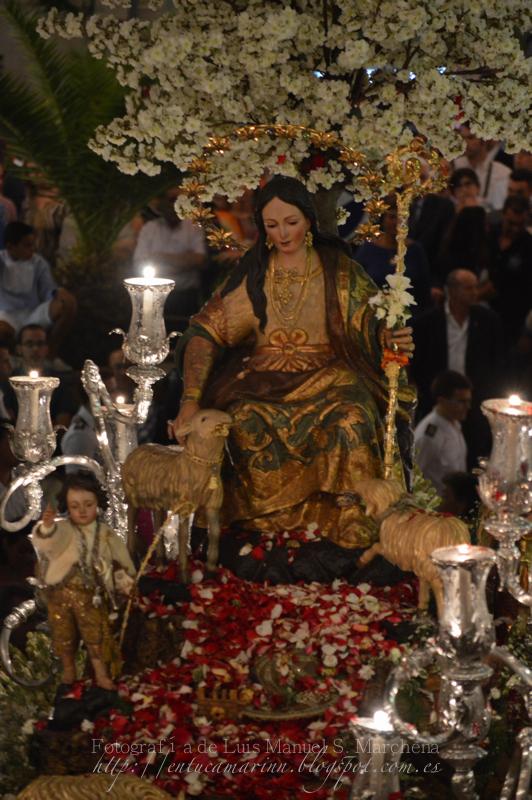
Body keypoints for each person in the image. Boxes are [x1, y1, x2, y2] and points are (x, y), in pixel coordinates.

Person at [169, 176, 415, 549]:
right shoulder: (255, 274)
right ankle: (259, 528)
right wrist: (190, 398)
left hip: (331, 376)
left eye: (291, 222)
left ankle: (350, 520)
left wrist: (388, 337)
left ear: (309, 221)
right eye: (272, 225)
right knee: (244, 418)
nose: (283, 234)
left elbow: (372, 322)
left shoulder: (339, 272)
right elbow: (206, 333)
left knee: (353, 417)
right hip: (261, 380)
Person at [31, 472, 135, 689]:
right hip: (60, 591)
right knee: (63, 634)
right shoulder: (64, 529)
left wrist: (126, 580)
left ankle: (101, 674)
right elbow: (47, 545)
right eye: (75, 506)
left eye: (88, 504)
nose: (82, 511)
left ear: (97, 503)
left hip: (91, 595)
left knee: (95, 635)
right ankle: (69, 672)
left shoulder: (105, 533)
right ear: (67, 506)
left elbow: (120, 558)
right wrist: (47, 528)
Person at [411, 269, 503, 465]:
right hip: (438, 397)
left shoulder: (487, 321)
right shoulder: (427, 323)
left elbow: (497, 360)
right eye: (468, 288)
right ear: (451, 290)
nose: (475, 292)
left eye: (476, 287)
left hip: (475, 398)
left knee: (474, 449)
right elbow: (418, 362)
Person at [133, 187, 207, 329]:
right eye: (170, 200)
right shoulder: (150, 228)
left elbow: (199, 260)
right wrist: (184, 260)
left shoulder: (193, 227)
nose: (173, 206)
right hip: (153, 298)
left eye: (178, 200)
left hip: (185, 297)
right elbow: (139, 263)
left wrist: (159, 258)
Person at [0, 222, 76, 354]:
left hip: (34, 313)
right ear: (10, 247)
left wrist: (59, 293)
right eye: (27, 245)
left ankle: (50, 355)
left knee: (68, 302)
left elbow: (48, 290)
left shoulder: (38, 262)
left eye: (32, 244)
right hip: (6, 316)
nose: (32, 249)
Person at [355, 198, 432, 317]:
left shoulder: (416, 250)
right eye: (392, 217)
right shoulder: (368, 249)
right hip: (374, 315)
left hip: (411, 316)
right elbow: (357, 286)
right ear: (383, 219)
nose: (397, 222)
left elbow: (424, 290)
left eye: (402, 217)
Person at [414, 371, 472, 496]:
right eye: (461, 401)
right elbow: (414, 475)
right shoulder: (429, 435)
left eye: (468, 401)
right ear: (442, 401)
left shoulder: (455, 424)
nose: (467, 407)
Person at [453, 126, 510, 211]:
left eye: (470, 138)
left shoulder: (502, 172)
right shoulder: (454, 165)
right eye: (462, 138)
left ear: (484, 140)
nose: (464, 143)